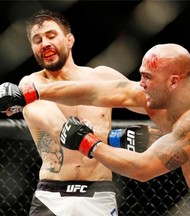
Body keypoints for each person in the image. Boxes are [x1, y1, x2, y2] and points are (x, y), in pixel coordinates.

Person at [3, 43, 190, 215]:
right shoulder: (158, 98)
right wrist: (32, 92)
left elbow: (143, 168)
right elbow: (99, 90)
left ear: (173, 81)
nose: (140, 84)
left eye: (147, 77)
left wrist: (87, 143)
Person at [0, 9, 151, 216]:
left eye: (51, 36)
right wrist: (117, 138)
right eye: (37, 40)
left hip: (99, 196)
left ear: (69, 40)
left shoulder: (102, 78)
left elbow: (150, 103)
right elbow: (62, 129)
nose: (44, 43)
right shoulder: (31, 86)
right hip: (52, 198)